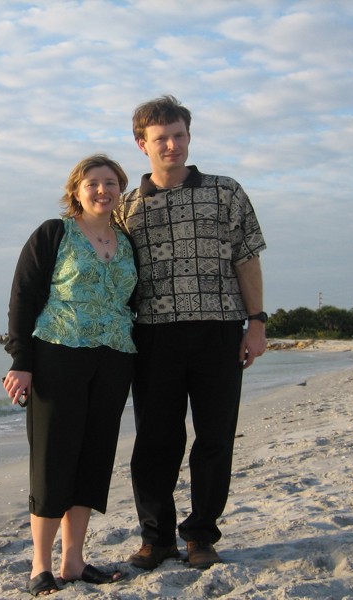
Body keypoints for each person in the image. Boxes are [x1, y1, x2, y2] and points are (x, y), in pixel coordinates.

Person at [112, 95, 268, 570]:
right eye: (161, 138)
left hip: (219, 330)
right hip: (153, 336)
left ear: (188, 136)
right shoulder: (127, 207)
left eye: (179, 135)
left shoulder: (226, 192)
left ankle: (201, 534)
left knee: (215, 437)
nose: (172, 145)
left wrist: (256, 322)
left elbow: (246, 257)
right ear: (142, 144)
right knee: (156, 440)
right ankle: (156, 538)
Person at [3, 154, 137, 596]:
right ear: (76, 190)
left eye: (111, 183)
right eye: (93, 183)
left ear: (121, 189)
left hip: (114, 358)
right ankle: (41, 565)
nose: (103, 190)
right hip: (57, 355)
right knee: (52, 458)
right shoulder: (53, 233)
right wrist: (21, 361)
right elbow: (23, 296)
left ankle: (74, 561)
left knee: (93, 458)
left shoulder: (126, 240)